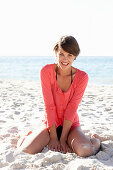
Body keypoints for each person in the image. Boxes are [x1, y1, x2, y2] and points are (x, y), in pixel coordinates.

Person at [17, 35, 101, 157]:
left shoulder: (82, 77)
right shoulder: (46, 71)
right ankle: (27, 136)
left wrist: (62, 139)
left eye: (70, 55)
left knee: (85, 150)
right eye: (61, 54)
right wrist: (53, 137)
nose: (65, 59)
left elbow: (72, 108)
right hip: (50, 124)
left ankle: (96, 140)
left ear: (75, 56)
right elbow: (49, 106)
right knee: (26, 150)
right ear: (55, 52)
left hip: (71, 125)